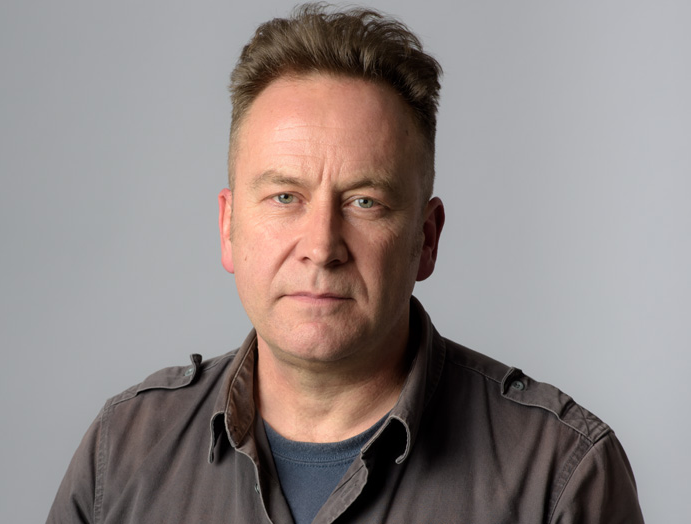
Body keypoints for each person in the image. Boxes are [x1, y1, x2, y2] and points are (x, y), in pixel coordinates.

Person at [48, 4, 644, 523]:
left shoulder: (560, 476)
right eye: (285, 197)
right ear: (228, 227)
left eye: (365, 202)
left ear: (426, 240)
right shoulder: (122, 455)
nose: (322, 245)